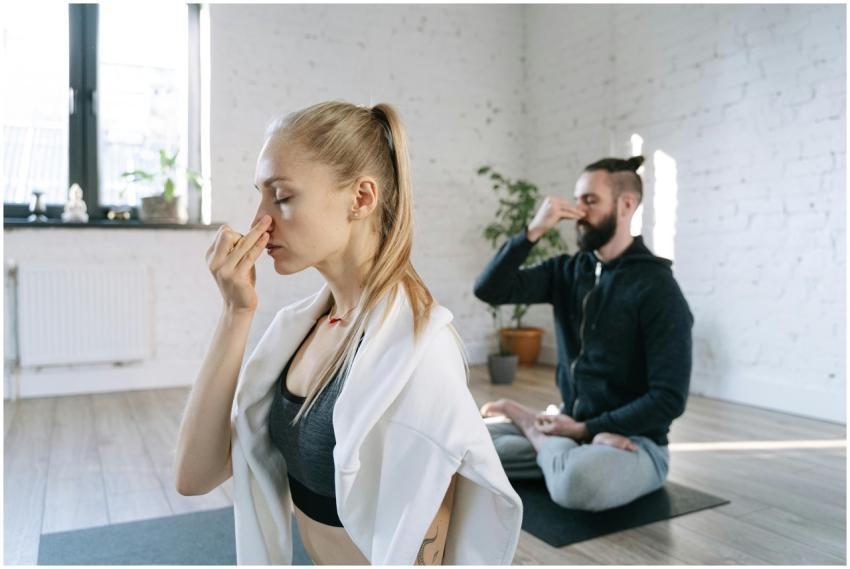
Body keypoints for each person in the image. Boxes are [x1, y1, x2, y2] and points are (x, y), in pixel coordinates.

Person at [174, 101, 522, 565]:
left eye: (282, 196)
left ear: (360, 198)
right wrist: (236, 312)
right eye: (260, 195)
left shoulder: (420, 355)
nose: (259, 220)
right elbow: (194, 475)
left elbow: (424, 557)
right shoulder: (302, 329)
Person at [474, 155, 693, 512]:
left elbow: (669, 398)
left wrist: (586, 429)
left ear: (626, 205)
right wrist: (532, 232)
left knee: (576, 484)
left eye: (590, 201)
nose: (577, 211)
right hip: (570, 429)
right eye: (576, 200)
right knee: (463, 445)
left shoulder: (658, 289)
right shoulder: (568, 270)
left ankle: (533, 429)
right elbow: (490, 289)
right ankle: (553, 448)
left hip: (633, 444)